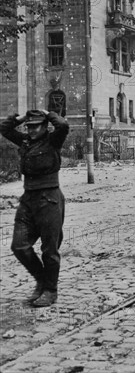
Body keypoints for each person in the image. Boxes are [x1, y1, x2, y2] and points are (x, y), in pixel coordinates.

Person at [0, 109, 69, 307]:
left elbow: (63, 125)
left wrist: (50, 114)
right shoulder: (25, 142)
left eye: (35, 126)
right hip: (28, 198)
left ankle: (50, 290)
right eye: (28, 127)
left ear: (45, 126)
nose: (30, 130)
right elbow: (4, 129)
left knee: (49, 249)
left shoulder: (53, 140)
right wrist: (20, 118)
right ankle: (42, 280)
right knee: (19, 245)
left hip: (49, 199)